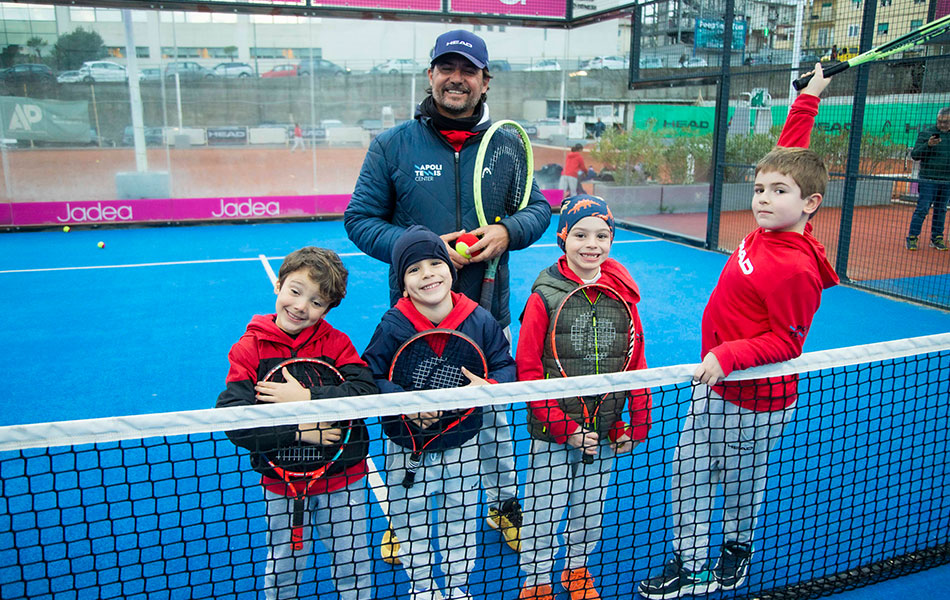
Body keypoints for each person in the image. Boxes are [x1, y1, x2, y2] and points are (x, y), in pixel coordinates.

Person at [344, 28, 551, 554]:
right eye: (447, 68)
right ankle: (405, 519)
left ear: (485, 81)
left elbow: (538, 208)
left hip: (486, 317)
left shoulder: (507, 143)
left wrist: (509, 232)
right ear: (431, 74)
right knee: (411, 422)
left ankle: (503, 503)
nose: (456, 79)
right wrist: (424, 248)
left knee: (493, 421)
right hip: (414, 324)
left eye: (468, 71)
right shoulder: (392, 145)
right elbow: (360, 220)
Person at [638, 70, 840, 598]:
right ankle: (692, 561)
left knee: (739, 480)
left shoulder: (795, 269)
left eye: (778, 192)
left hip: (755, 399)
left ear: (810, 204)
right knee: (690, 470)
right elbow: (789, 154)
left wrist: (728, 355)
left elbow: (787, 344)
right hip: (718, 384)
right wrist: (808, 98)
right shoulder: (772, 227)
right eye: (759, 189)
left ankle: (734, 547)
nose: (763, 199)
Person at [362, 226, 517, 600]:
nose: (427, 274)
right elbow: (369, 376)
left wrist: (489, 386)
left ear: (451, 269)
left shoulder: (479, 319)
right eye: (414, 269)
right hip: (407, 447)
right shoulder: (392, 325)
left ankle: (458, 584)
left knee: (460, 519)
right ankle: (421, 586)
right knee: (408, 520)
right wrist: (404, 403)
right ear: (402, 285)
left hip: (463, 444)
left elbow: (505, 365)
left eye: (435, 263)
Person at [216, 247, 377, 600]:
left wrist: (306, 398)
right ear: (278, 285)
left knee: (352, 563)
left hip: (342, 479)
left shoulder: (337, 344)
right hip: (281, 484)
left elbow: (365, 392)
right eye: (295, 291)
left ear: (327, 309)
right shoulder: (249, 350)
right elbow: (235, 421)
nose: (301, 306)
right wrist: (301, 431)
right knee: (284, 567)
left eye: (316, 302)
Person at [516, 195, 652, 600]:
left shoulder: (624, 295)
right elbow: (528, 371)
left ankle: (577, 568)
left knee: (590, 510)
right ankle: (537, 578)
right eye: (580, 235)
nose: (591, 244)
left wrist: (637, 423)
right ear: (563, 238)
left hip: (606, 429)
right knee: (542, 510)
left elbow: (635, 361)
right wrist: (566, 428)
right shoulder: (543, 295)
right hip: (553, 433)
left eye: (601, 236)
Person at [906, 108, 950, 251]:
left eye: (945, 122)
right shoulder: (926, 134)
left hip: (946, 180)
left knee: (941, 209)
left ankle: (937, 238)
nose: (942, 124)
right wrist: (928, 145)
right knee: (923, 208)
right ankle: (912, 237)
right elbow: (915, 155)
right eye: (939, 121)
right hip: (928, 179)